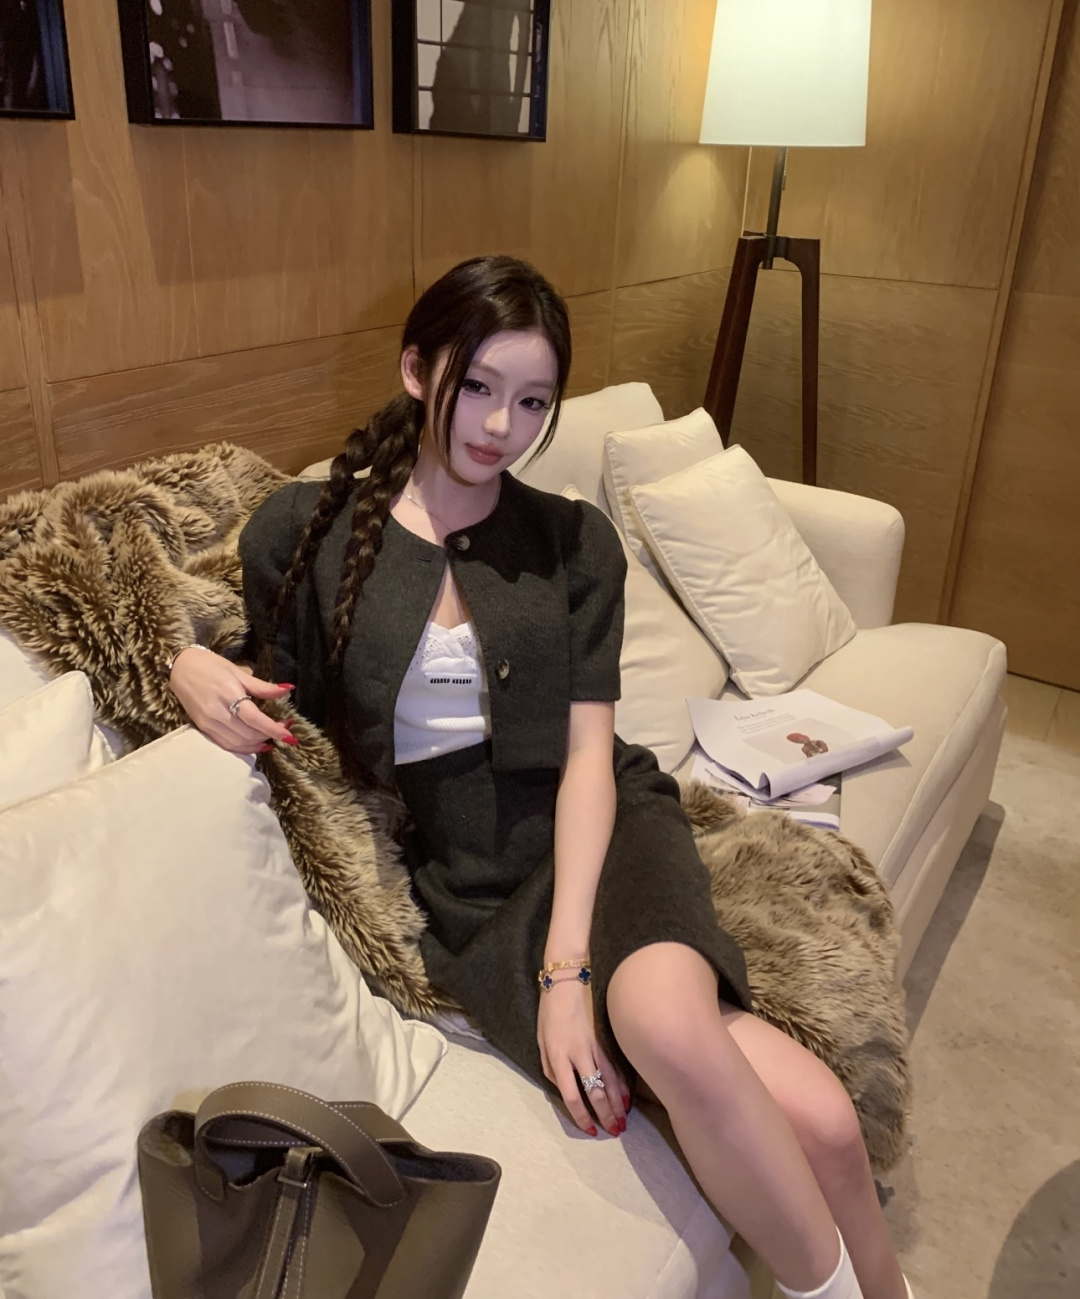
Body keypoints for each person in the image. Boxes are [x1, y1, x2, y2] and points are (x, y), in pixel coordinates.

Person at [168, 255, 912, 1299]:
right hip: (474, 889)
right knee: (823, 1117)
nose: (499, 426)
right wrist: (183, 661)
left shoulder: (571, 542)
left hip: (605, 824)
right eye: (477, 386)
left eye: (531, 401)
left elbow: (593, 757)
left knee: (665, 1020)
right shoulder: (307, 531)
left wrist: (567, 978)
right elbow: (260, 677)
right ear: (417, 368)